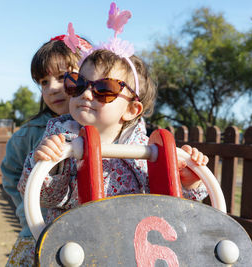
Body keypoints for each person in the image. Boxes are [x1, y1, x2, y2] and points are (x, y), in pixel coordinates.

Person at [18, 2, 208, 231]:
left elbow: (172, 209)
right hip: (76, 244)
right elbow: (45, 198)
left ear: (131, 110)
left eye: (104, 89)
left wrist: (188, 181)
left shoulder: (145, 149)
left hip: (132, 245)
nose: (87, 94)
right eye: (79, 84)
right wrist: (49, 166)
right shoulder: (62, 137)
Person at [1, 23, 91, 267]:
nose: (51, 88)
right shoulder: (29, 135)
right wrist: (28, 214)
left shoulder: (103, 127)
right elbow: (11, 175)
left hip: (94, 233)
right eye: (43, 81)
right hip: (41, 233)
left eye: (62, 77)